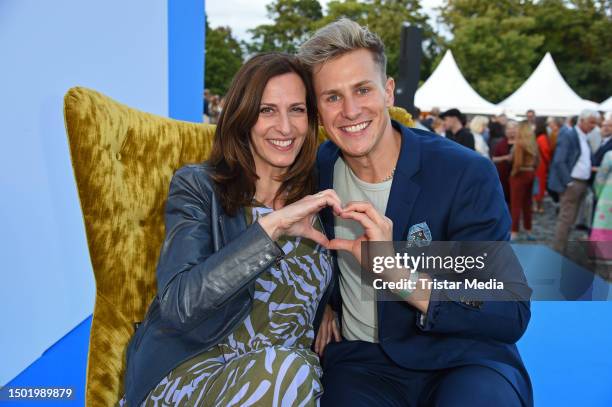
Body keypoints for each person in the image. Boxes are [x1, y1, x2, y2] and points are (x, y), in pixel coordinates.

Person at [298, 19, 532, 407]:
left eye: (362, 89)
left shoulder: (464, 173)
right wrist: (321, 308)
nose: (351, 110)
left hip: (462, 358)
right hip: (361, 364)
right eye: (332, 97)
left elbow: (508, 312)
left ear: (388, 92)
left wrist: (397, 276)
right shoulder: (315, 170)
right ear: (317, 111)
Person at [121, 52, 345, 406]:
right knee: (288, 371)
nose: (285, 127)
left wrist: (330, 303)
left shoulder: (321, 197)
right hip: (196, 373)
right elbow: (180, 304)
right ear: (243, 117)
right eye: (267, 110)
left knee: (293, 373)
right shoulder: (199, 186)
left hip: (287, 385)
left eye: (297, 110)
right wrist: (271, 227)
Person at [548, 109, 600, 254]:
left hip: (581, 182)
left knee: (570, 220)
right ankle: (558, 251)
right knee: (566, 219)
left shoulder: (583, 137)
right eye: (591, 122)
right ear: (581, 121)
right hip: (573, 183)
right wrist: (568, 182)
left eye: (595, 123)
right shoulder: (570, 135)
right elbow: (559, 161)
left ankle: (561, 249)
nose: (594, 126)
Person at [510, 122, 539, 240]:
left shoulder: (519, 144)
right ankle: (528, 230)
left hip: (520, 174)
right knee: (527, 204)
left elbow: (517, 162)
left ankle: (514, 232)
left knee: (515, 205)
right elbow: (538, 162)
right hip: (530, 172)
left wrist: (513, 173)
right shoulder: (533, 144)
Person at [589, 118, 612, 261]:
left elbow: (600, 177)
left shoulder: (609, 155)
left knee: (604, 223)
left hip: (607, 197)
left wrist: (598, 191)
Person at [493, 120, 518, 207]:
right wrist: (505, 158)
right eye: (509, 129)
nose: (511, 131)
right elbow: (494, 159)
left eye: (513, 128)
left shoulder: (521, 143)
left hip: (517, 176)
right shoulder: (501, 143)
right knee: (504, 199)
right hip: (503, 176)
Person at [534, 117, 551, 213]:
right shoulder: (542, 137)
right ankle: (538, 205)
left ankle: (538, 205)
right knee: (540, 185)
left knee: (539, 185)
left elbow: (545, 152)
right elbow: (546, 153)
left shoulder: (540, 138)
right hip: (541, 164)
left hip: (539, 164)